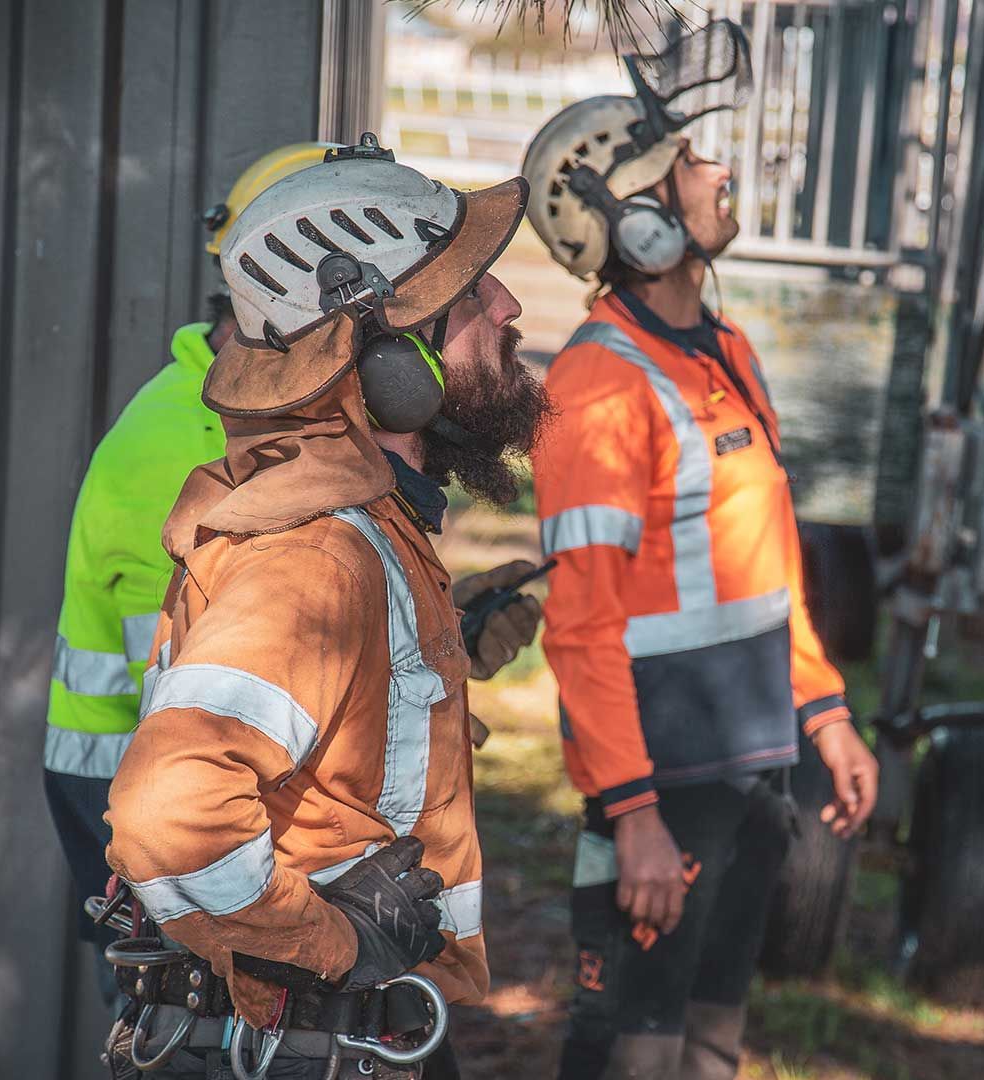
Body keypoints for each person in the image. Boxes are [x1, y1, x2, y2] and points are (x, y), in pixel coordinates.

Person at [43, 143, 543, 1014]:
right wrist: (331, 947)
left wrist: (432, 647)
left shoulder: (371, 526)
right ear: (390, 363)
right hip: (328, 1020)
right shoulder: (318, 553)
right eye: (469, 295)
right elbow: (170, 812)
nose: (508, 306)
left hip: (373, 1018)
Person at [521, 22, 880, 1080]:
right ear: (634, 224)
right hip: (662, 785)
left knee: (711, 1044)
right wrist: (631, 813)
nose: (718, 174)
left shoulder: (725, 351)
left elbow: (768, 576)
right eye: (688, 164)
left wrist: (827, 713)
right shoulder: (595, 390)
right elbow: (579, 625)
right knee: (631, 1049)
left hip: (755, 771)